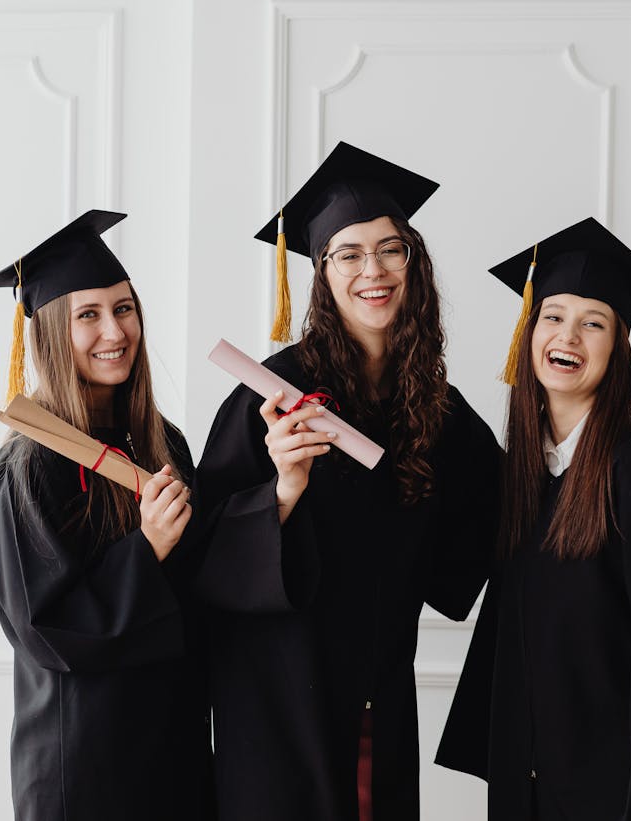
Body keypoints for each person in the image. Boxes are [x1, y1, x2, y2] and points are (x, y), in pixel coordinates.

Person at [192, 142, 501, 821]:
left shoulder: (437, 407)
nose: (374, 270)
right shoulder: (270, 397)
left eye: (391, 249)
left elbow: (489, 523)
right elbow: (200, 556)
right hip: (276, 697)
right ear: (321, 273)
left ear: (413, 263)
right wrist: (282, 490)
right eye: (350, 253)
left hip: (377, 689)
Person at [436, 217, 631, 820]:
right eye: (552, 315)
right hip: (529, 780)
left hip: (615, 789)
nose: (567, 334)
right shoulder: (522, 474)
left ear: (618, 348)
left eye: (592, 323)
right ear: (529, 331)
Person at [0, 211, 215, 820]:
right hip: (84, 760)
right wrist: (148, 547)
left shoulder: (165, 443)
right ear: (53, 331)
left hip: (175, 744)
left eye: (125, 308)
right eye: (89, 315)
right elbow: (45, 628)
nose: (116, 330)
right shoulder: (28, 469)